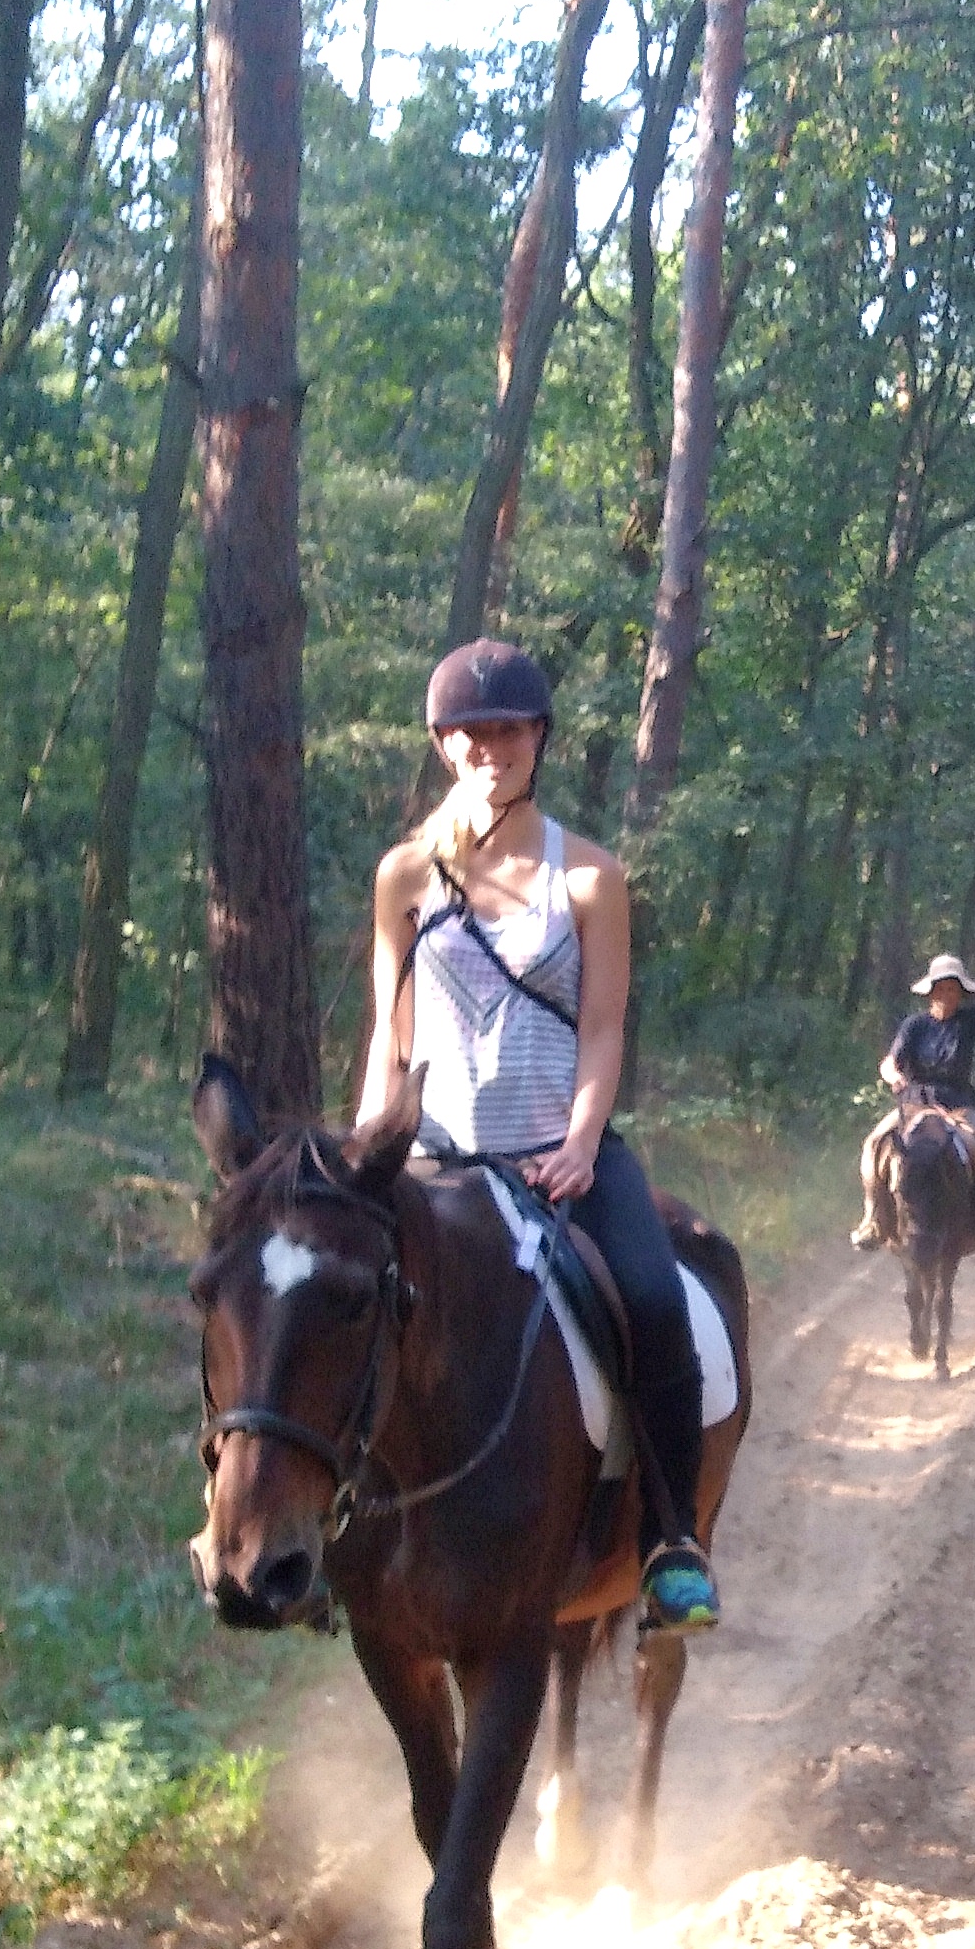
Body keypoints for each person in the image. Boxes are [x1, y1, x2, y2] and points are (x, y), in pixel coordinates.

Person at [362, 638, 720, 1631]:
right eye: (470, 730)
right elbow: (387, 1037)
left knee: (652, 1297)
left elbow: (602, 1029)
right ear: (442, 743)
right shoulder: (402, 877)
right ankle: (324, 1536)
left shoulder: (591, 878)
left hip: (561, 1155)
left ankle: (671, 1542)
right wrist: (363, 1157)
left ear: (538, 739)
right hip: (434, 1160)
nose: (490, 746)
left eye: (508, 727)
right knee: (326, 1311)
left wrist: (577, 1140)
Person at [853, 930, 975, 1253]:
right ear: (930, 992)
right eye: (941, 988)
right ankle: (873, 1217)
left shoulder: (968, 1021)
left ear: (961, 992)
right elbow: (890, 1061)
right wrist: (894, 1077)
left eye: (953, 988)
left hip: (958, 1105)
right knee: (873, 1143)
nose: (947, 994)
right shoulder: (914, 1025)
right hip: (914, 1103)